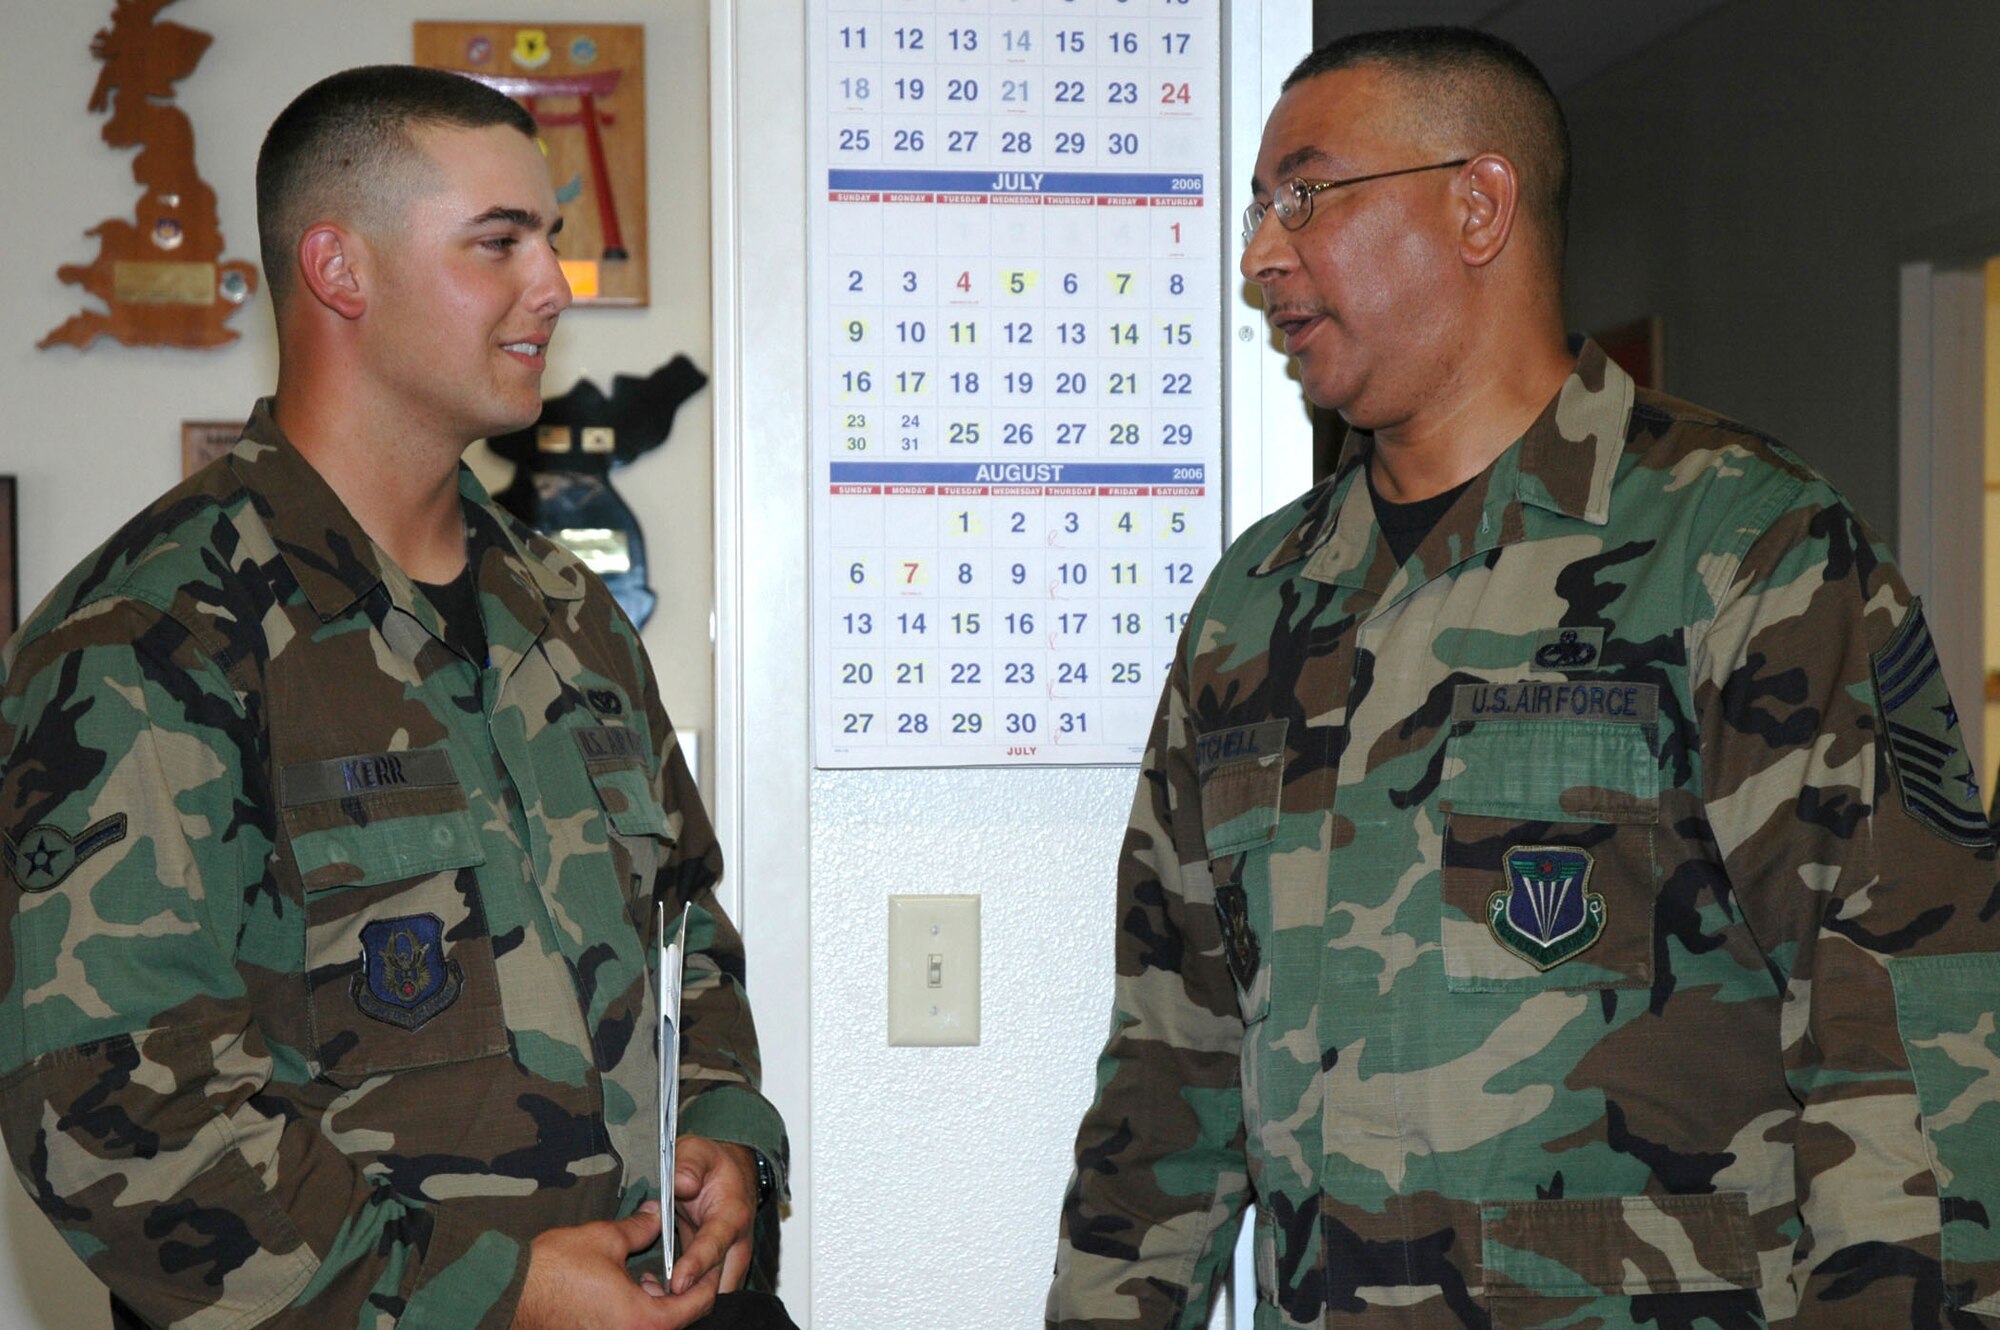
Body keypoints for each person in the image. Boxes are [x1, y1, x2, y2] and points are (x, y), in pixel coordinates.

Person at [1049, 26, 1999, 1330]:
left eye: (1304, 196)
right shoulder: (1253, 606)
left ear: (1478, 205)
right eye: (1259, 209)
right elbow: (1169, 1070)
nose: (1262, 253)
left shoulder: (1746, 551)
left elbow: (1909, 1045)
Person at [0, 66, 793, 1330]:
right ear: (339, 270)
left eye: (551, 240)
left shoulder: (570, 613)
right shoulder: (151, 638)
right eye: (500, 241)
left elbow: (682, 929)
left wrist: (724, 1129)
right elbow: (114, 1115)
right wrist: (497, 1294)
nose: (553, 285)